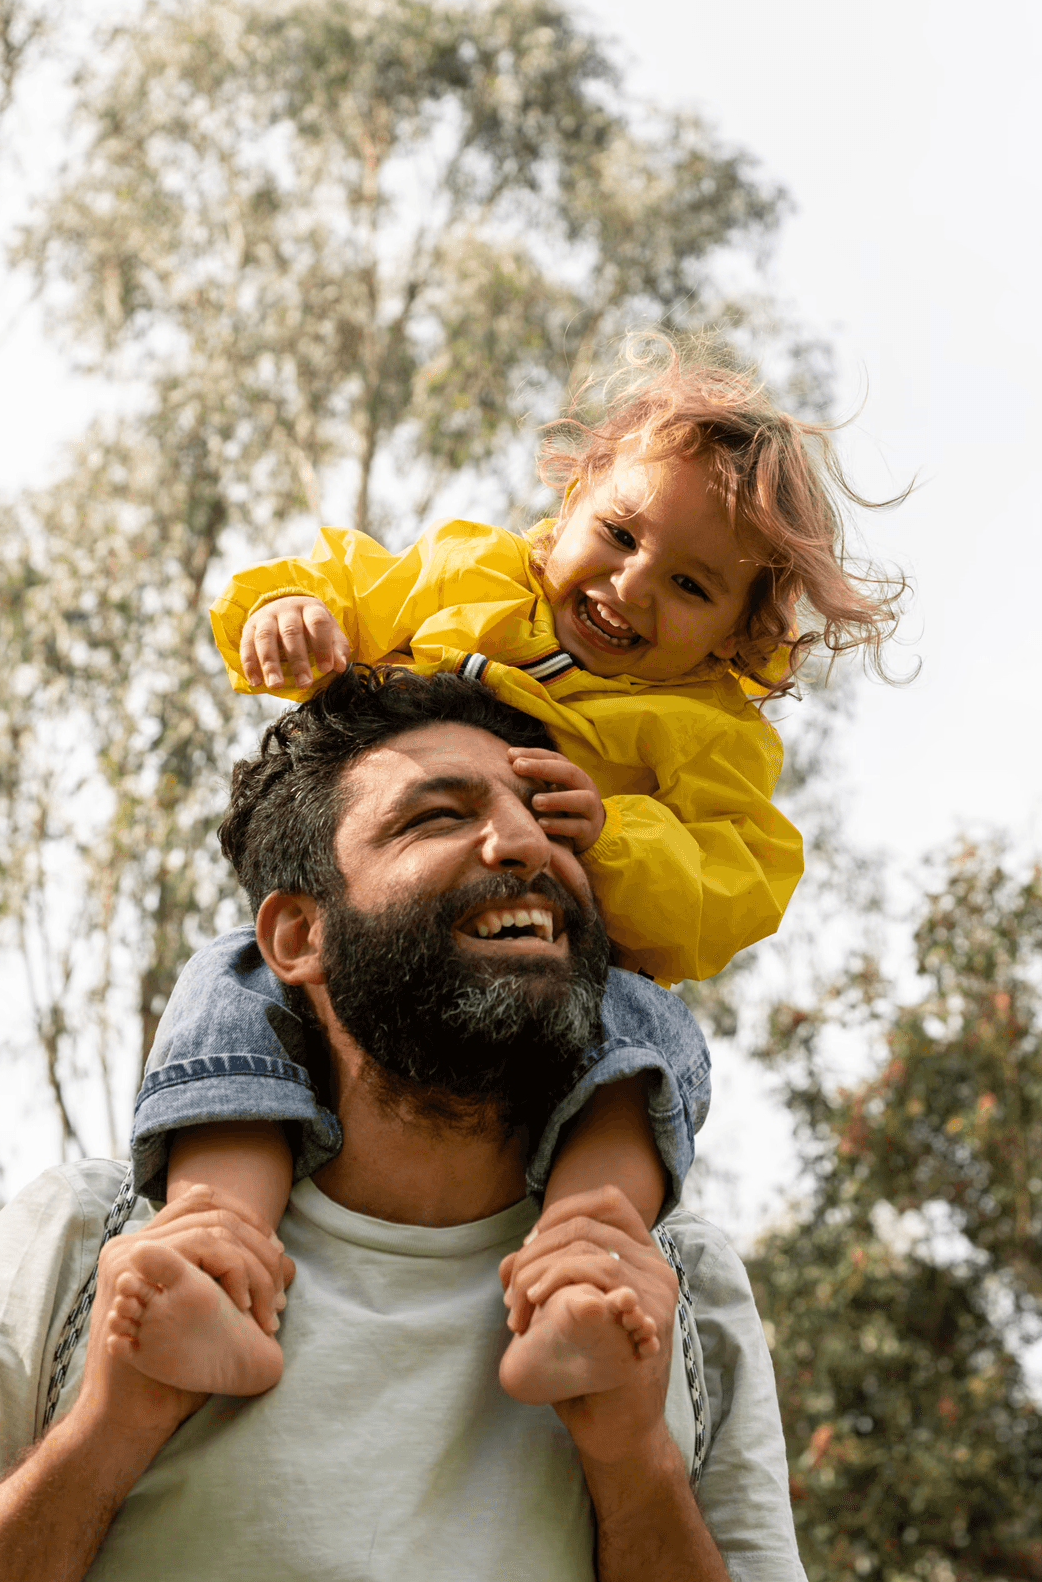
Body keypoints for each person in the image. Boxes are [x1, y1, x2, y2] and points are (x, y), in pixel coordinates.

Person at [0, 668, 801, 1581]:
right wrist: (106, 1428)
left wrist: (635, 1463)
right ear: (297, 935)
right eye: (435, 817)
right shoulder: (94, 1245)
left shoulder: (680, 1294)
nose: (526, 844)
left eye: (549, 818)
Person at [132, 334, 906, 1406]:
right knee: (237, 981)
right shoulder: (469, 574)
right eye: (620, 534)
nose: (633, 587)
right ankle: (213, 1242)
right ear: (573, 497)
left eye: (688, 585)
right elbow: (349, 579)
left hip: (566, 984)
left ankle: (585, 1265)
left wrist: (616, 833)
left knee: (649, 1040)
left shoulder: (707, 732)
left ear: (741, 632)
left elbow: (742, 879)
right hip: (389, 948)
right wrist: (284, 613)